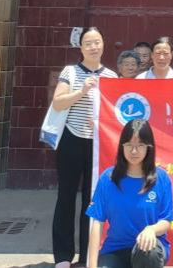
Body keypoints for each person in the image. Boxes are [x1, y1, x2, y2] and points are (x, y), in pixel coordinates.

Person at [51, 27, 117, 268]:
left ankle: (88, 256)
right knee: (66, 197)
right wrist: (82, 91)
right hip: (71, 140)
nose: (93, 47)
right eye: (88, 43)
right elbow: (58, 103)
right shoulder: (70, 72)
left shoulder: (111, 76)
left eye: (97, 42)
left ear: (103, 45)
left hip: (98, 144)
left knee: (93, 201)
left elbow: (116, 114)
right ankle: (63, 256)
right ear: (80, 47)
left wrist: (101, 122)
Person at [85, 119, 173, 268]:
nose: (134, 151)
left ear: (149, 147)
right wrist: (92, 265)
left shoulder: (161, 178)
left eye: (140, 145)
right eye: (129, 145)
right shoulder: (108, 178)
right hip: (115, 250)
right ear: (122, 146)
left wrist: (151, 229)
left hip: (148, 249)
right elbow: (97, 222)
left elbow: (166, 221)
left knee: (148, 252)